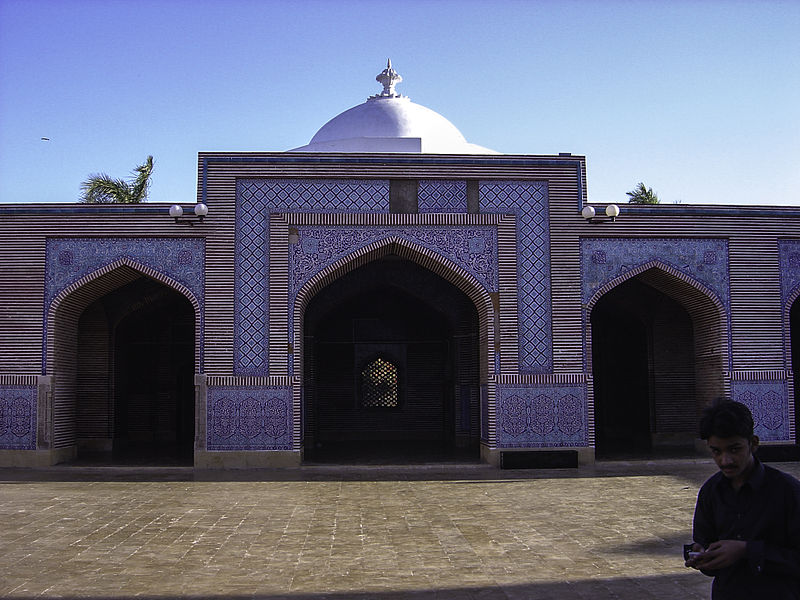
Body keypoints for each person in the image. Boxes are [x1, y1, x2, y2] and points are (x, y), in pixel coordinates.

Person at [685, 398, 800, 599]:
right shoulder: (711, 492)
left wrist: (748, 550)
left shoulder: (787, 491)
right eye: (716, 451)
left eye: (734, 449)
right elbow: (705, 543)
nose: (725, 460)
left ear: (753, 443)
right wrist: (702, 555)